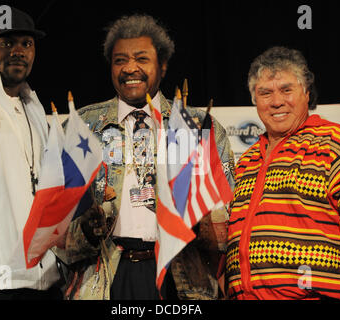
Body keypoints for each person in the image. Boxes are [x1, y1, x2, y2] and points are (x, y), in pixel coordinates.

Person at [56, 14, 235, 300]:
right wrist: (86, 233)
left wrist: (194, 222)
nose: (130, 68)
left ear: (162, 66)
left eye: (141, 58)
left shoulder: (198, 127)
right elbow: (52, 231)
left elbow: (228, 223)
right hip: (106, 280)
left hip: (182, 281)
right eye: (120, 60)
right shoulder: (82, 128)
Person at [226, 46, 340, 300]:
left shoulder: (334, 143)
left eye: (286, 90)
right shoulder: (246, 161)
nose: (276, 101)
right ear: (255, 100)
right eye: (265, 93)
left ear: (306, 92)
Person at [0, 6, 62, 300]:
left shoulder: (33, 106)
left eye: (26, 43)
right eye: (6, 43)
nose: (18, 51)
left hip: (43, 277)